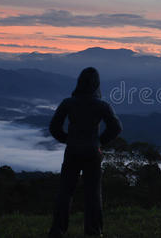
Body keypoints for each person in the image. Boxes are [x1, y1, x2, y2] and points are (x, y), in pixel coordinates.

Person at [48, 67, 122, 238]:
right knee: (93, 193)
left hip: (72, 150)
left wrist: (67, 139)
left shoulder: (68, 103)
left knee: (65, 192)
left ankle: (57, 231)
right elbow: (116, 127)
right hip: (92, 152)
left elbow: (54, 127)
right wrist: (100, 142)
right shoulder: (102, 105)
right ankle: (94, 232)